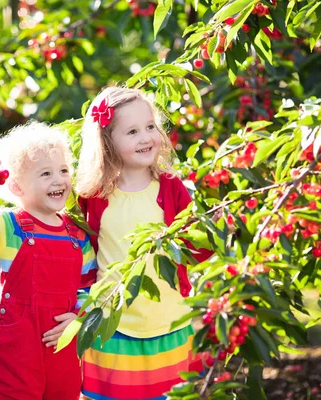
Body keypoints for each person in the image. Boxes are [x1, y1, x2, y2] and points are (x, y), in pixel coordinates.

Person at [76, 87, 209, 400]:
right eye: (132, 131)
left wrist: (215, 230)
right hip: (112, 321)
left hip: (168, 318)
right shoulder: (93, 196)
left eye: (150, 127)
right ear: (107, 142)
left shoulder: (173, 188)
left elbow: (193, 249)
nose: (146, 137)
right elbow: (85, 255)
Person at [0, 121, 97, 400]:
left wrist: (78, 318)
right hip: (17, 349)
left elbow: (90, 286)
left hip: (61, 345)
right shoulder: (9, 226)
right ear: (17, 186)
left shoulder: (78, 236)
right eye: (45, 173)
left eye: (63, 170)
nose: (58, 180)